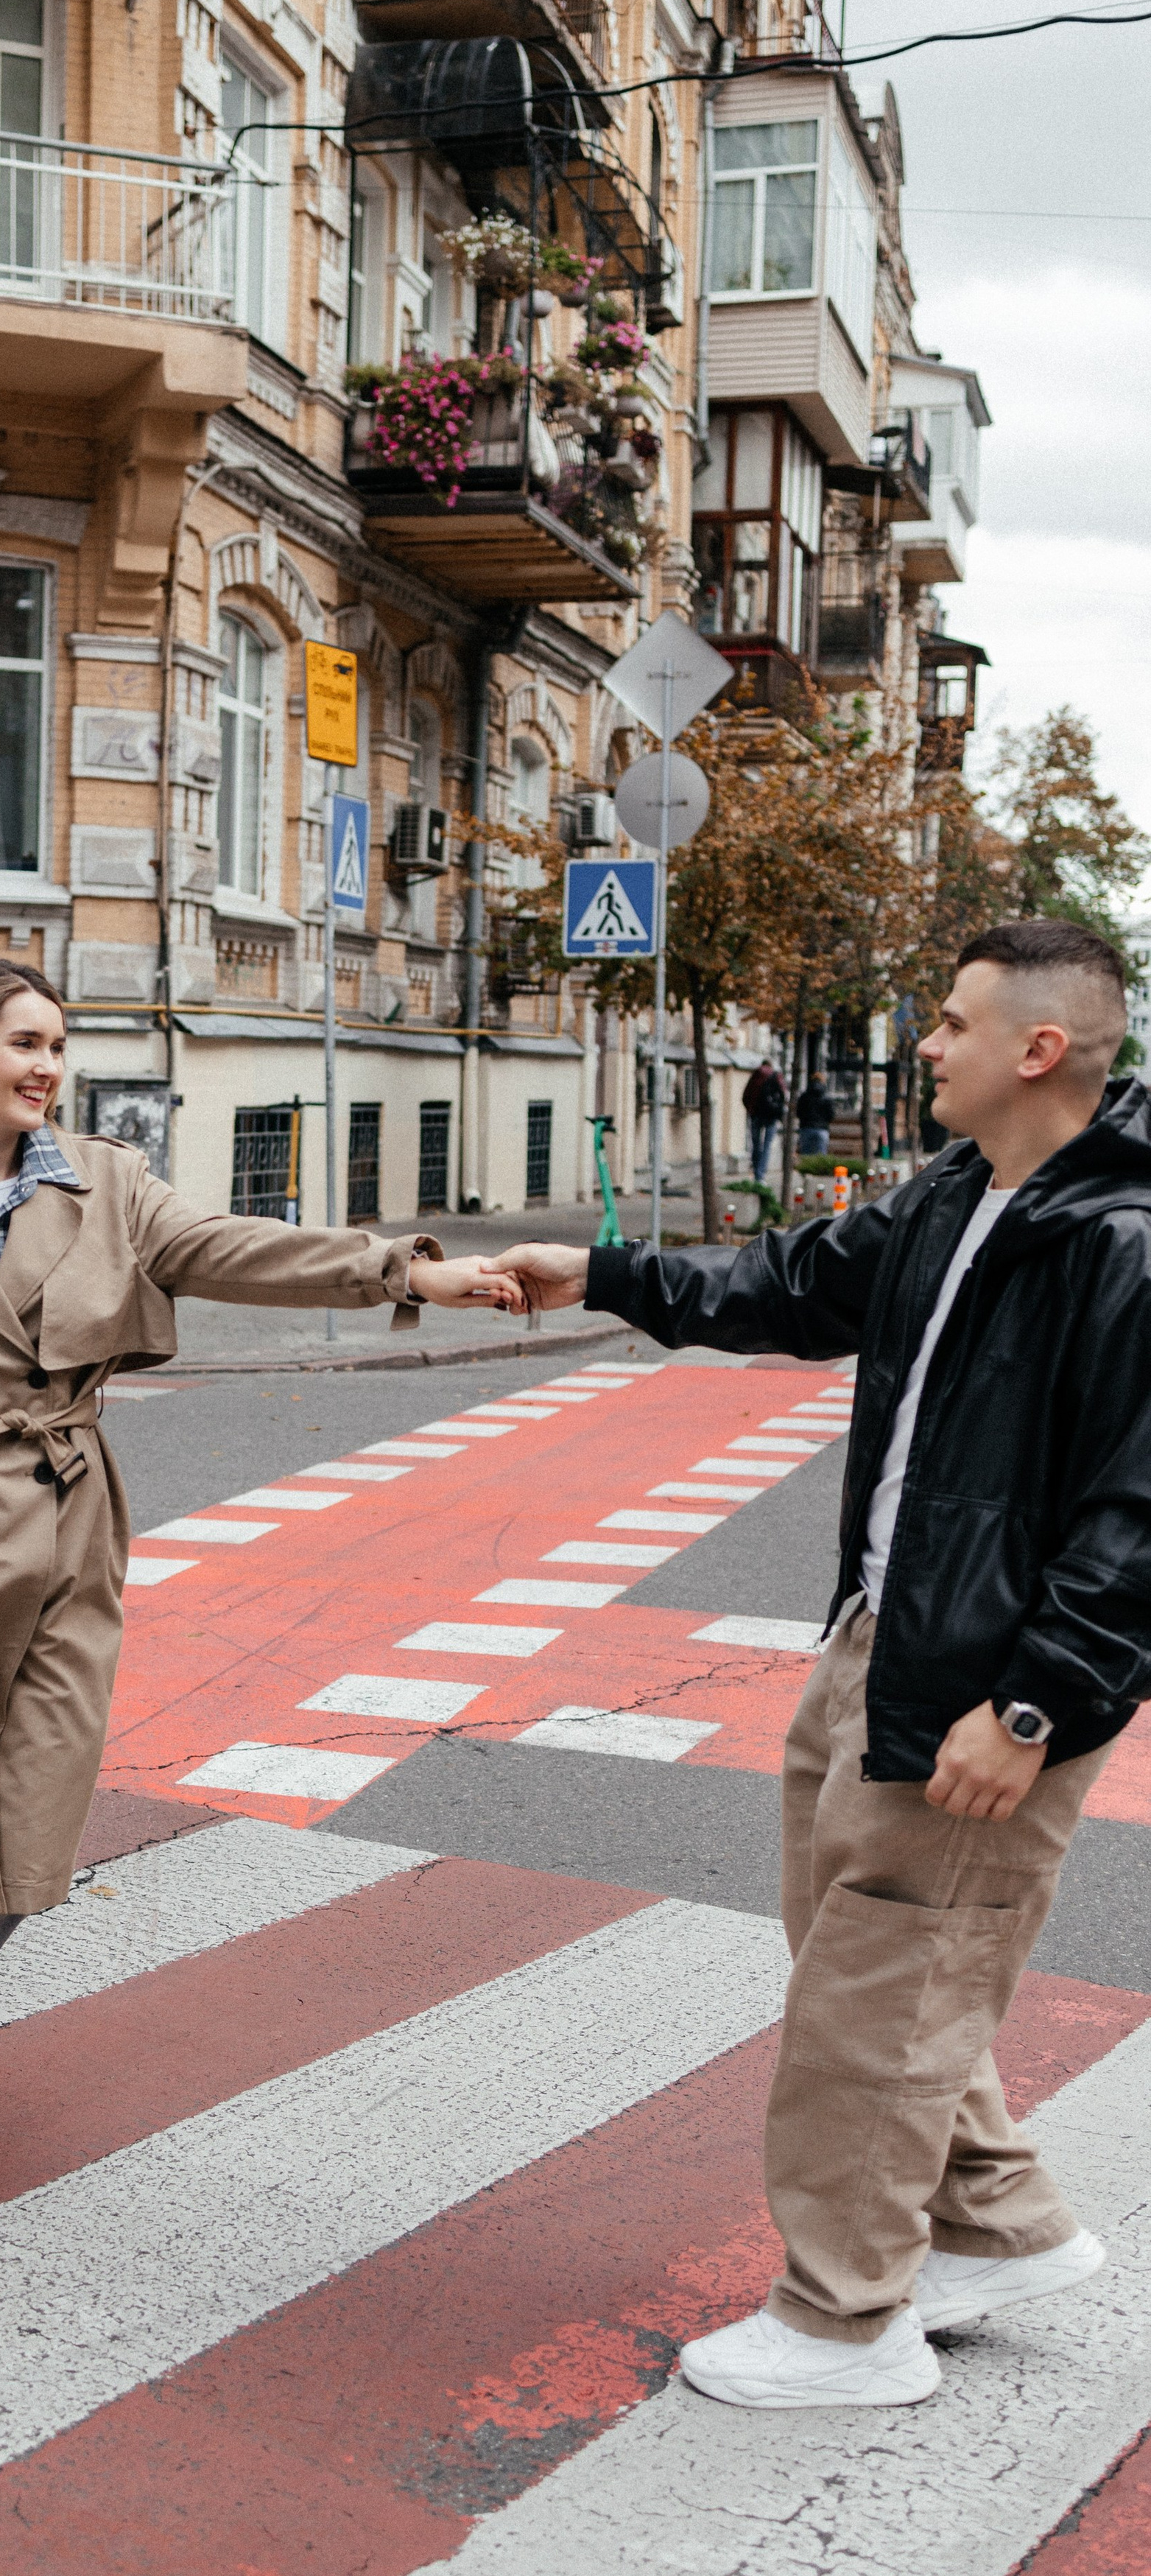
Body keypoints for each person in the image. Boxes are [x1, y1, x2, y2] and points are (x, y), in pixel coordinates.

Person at [493, 919, 1151, 2408]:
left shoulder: (1121, 1244)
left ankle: (842, 2320)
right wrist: (596, 1271)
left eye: (948, 1022)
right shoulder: (955, 1197)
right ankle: (995, 2223)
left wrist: (1035, 1702)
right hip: (884, 1640)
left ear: (1033, 1051)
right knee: (866, 1960)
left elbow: (1137, 1516)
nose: (923, 1042)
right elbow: (781, 1287)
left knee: (881, 1988)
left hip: (990, 1688)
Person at [0, 956, 522, 2228]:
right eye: (26, 1043)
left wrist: (408, 1271)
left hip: (65, 1533)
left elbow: (238, 1249)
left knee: (23, 1837)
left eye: (60, 1044)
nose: (49, 1066)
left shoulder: (109, 1185)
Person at [743, 1061, 786, 1182]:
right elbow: (783, 1094)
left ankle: (756, 1172)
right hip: (771, 1117)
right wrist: (779, 1112)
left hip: (755, 1116)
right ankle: (761, 1175)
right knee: (767, 1146)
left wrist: (751, 1111)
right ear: (770, 1066)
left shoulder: (755, 1076)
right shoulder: (776, 1075)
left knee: (756, 1145)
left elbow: (745, 1096)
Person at [797, 1072, 834, 1157]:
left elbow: (799, 1113)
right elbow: (831, 1115)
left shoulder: (804, 1096)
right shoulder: (827, 1097)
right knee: (820, 1158)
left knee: (805, 1157)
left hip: (806, 1128)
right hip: (822, 1129)